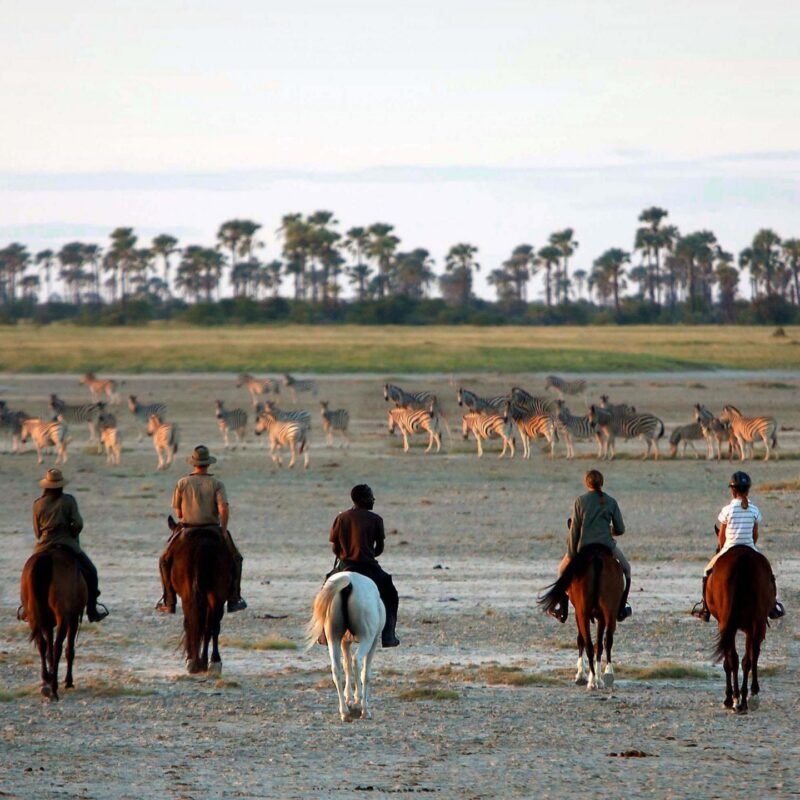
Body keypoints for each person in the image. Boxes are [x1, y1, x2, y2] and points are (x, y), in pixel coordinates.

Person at [155, 445, 247, 614]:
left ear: (193, 464)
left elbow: (178, 512)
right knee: (236, 559)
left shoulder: (182, 483)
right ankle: (234, 598)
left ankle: (169, 600)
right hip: (212, 529)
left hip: (187, 530)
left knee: (164, 560)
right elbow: (224, 510)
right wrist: (224, 530)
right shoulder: (217, 484)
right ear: (208, 464)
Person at [691, 471, 785, 622]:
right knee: (768, 572)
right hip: (749, 547)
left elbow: (722, 535)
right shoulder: (754, 509)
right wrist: (751, 545)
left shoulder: (727, 510)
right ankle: (773, 605)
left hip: (729, 547)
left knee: (706, 571)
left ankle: (705, 608)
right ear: (748, 490)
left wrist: (722, 548)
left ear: (732, 490)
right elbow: (755, 535)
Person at [22, 468, 108, 622]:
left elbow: (37, 531)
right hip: (67, 543)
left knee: (28, 573)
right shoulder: (68, 500)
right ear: (61, 485)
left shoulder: (38, 504)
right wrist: (72, 532)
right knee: (91, 572)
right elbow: (78, 524)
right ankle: (92, 609)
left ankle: (26, 608)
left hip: (43, 545)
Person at [320, 484, 400, 647]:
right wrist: (368, 554)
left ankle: (323, 633)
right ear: (363, 499)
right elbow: (380, 548)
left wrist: (344, 554)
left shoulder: (341, 518)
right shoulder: (376, 519)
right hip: (368, 566)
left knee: (325, 590)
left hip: (345, 565)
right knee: (390, 592)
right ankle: (388, 635)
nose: (373, 500)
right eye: (371, 497)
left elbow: (335, 547)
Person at [548, 469, 632, 623]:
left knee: (561, 571)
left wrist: (573, 553)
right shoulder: (611, 501)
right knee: (626, 569)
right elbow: (620, 529)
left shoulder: (580, 501)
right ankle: (622, 606)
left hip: (583, 545)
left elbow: (574, 530)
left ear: (587, 483)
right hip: (606, 544)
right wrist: (607, 531)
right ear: (602, 483)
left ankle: (562, 607)